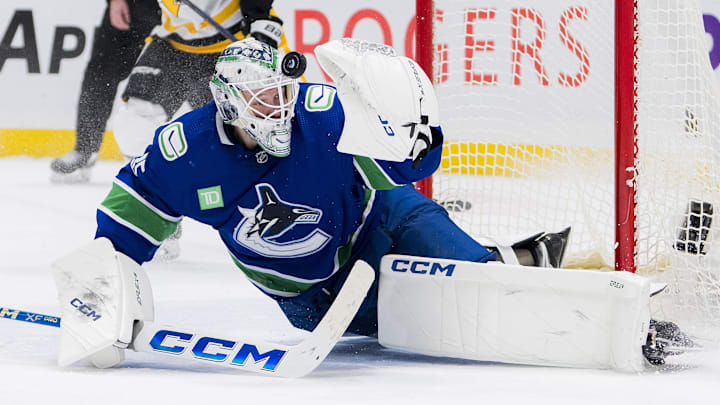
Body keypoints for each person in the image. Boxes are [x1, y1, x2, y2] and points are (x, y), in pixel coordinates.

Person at [55, 38, 693, 371]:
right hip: (313, 299)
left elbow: (407, 164)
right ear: (227, 102)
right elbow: (122, 227)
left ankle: (620, 325)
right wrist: (104, 298)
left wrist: (418, 133)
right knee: (439, 325)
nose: (279, 108)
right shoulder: (182, 153)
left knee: (477, 288)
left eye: (283, 92)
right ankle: (524, 263)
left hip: (383, 221)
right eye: (262, 102)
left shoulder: (321, 113)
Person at [110, 0, 288, 260]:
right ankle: (157, 214)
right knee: (133, 123)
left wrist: (259, 20)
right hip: (173, 39)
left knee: (266, 125)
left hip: (233, 40)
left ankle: (281, 210)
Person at [50, 0, 160, 183]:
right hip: (136, 6)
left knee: (194, 77)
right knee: (101, 72)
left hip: (190, 12)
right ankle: (85, 149)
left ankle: (195, 154)